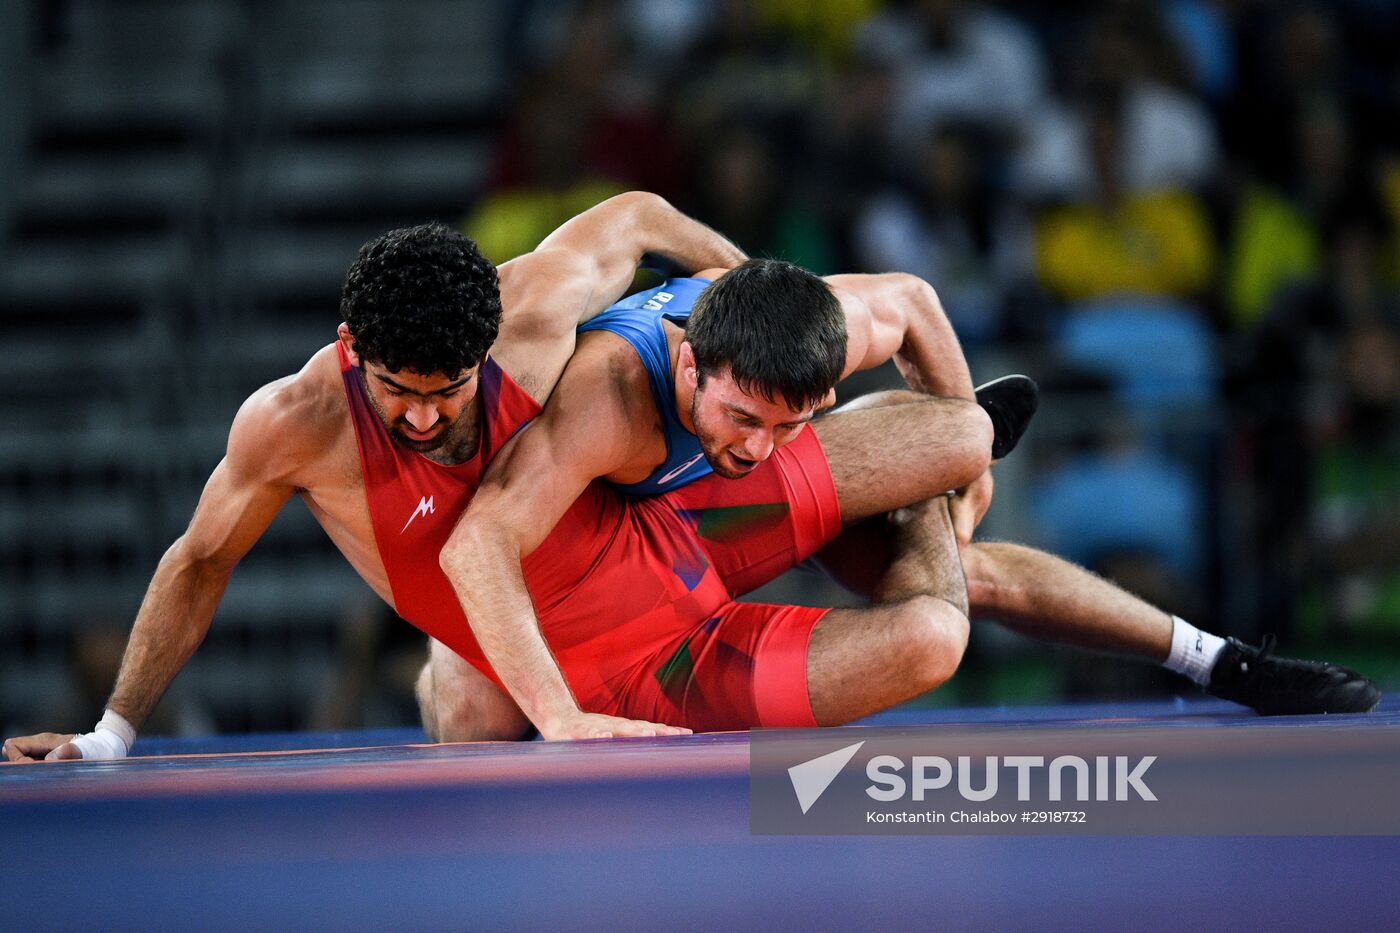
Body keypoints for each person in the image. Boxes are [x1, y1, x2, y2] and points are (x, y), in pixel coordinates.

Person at [437, 259, 1381, 740]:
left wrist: (970, 477)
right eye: (738, 416)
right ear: (689, 359)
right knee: (938, 621)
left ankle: (1222, 662)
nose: (754, 443)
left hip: (726, 518)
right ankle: (923, 507)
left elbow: (917, 300)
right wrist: (557, 716)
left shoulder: (789, 342)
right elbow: (479, 543)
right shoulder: (605, 400)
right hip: (631, 590)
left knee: (967, 432)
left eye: (789, 420)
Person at [1, 192, 748, 762]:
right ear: (351, 348)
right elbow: (200, 560)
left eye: (448, 390)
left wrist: (755, 315)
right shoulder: (295, 421)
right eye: (398, 390)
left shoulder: (536, 307)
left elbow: (641, 215)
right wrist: (109, 735)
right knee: (474, 725)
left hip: (627, 514)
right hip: (492, 599)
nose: (423, 419)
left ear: (486, 347)